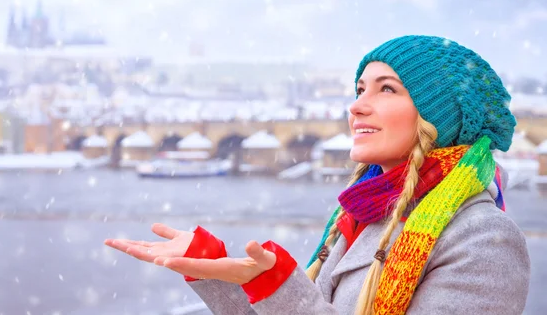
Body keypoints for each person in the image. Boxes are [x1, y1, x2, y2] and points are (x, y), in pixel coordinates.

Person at [105, 35, 531, 315]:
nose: (358, 105)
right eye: (360, 89)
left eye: (387, 89)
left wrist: (275, 283)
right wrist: (213, 269)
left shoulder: (483, 239)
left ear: (441, 116)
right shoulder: (362, 218)